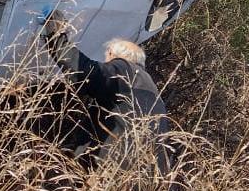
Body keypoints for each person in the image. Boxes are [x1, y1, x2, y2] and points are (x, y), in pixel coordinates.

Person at [43, 15, 172, 175]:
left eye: (106, 57)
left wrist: (56, 36)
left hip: (113, 169)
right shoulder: (150, 87)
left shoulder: (124, 68)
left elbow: (85, 71)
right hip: (148, 177)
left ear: (112, 54)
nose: (105, 61)